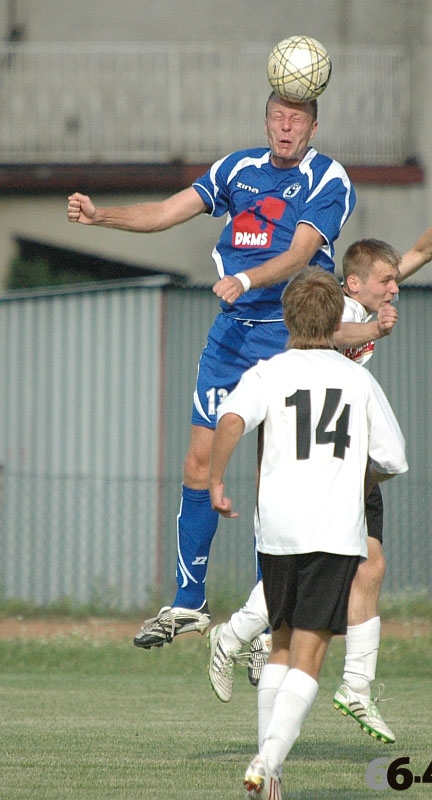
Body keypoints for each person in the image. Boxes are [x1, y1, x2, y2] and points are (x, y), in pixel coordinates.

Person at [67, 91, 356, 648]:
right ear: (266, 120)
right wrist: (101, 216)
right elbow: (165, 211)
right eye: (277, 116)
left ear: (314, 126)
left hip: (289, 335)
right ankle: (187, 602)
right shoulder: (237, 168)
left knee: (275, 476)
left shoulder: (329, 178)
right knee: (198, 460)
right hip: (231, 336)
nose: (285, 127)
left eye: (296, 119)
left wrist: (248, 280)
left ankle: (262, 620)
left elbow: (300, 254)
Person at [208, 186, 432, 744]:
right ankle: (241, 637)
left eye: (395, 280)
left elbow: (422, 250)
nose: (395, 288)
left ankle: (347, 683)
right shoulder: (338, 308)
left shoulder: (368, 298)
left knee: (364, 567)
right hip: (313, 462)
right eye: (385, 281)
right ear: (354, 284)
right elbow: (322, 337)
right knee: (327, 563)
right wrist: (372, 329)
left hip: (345, 463)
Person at [208, 267, 408, 799]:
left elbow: (229, 422)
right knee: (309, 653)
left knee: (278, 644)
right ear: (336, 319)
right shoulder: (358, 380)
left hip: (275, 531)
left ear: (288, 318)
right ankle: (266, 759)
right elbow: (392, 457)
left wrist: (215, 483)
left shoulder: (268, 372)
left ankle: (270, 781)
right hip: (334, 531)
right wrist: (351, 473)